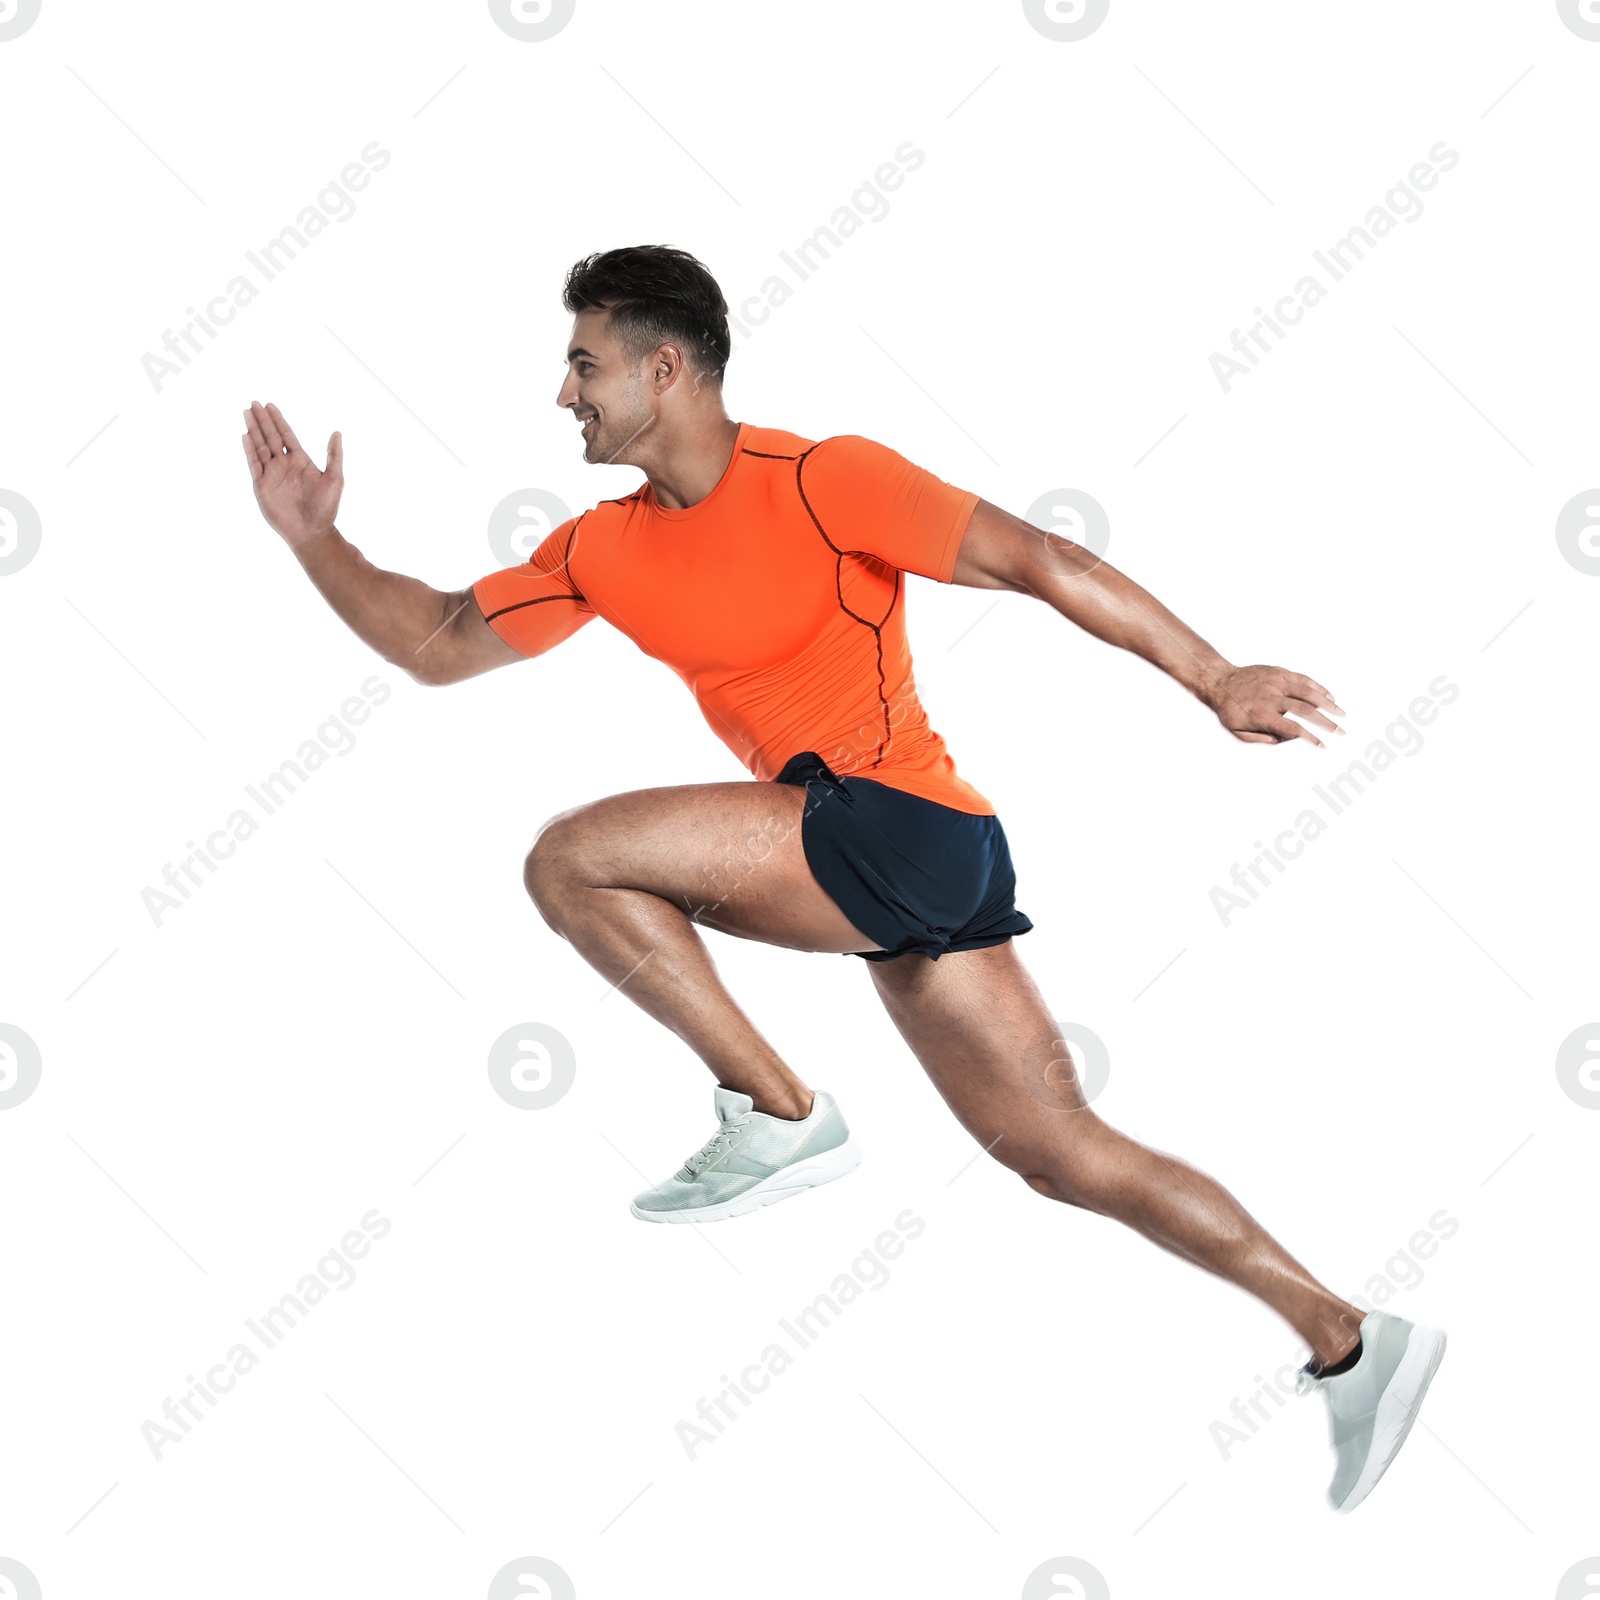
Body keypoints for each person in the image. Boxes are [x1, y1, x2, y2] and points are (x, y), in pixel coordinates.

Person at [240, 244, 1445, 1512]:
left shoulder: (823, 479)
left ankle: (776, 1110)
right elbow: (435, 643)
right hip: (893, 862)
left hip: (897, 822)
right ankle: (1351, 1337)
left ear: (667, 366)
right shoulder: (601, 548)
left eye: (582, 364)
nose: (564, 396)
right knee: (1056, 1151)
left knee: (574, 858)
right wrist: (318, 541)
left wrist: (1215, 679)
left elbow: (1040, 558)